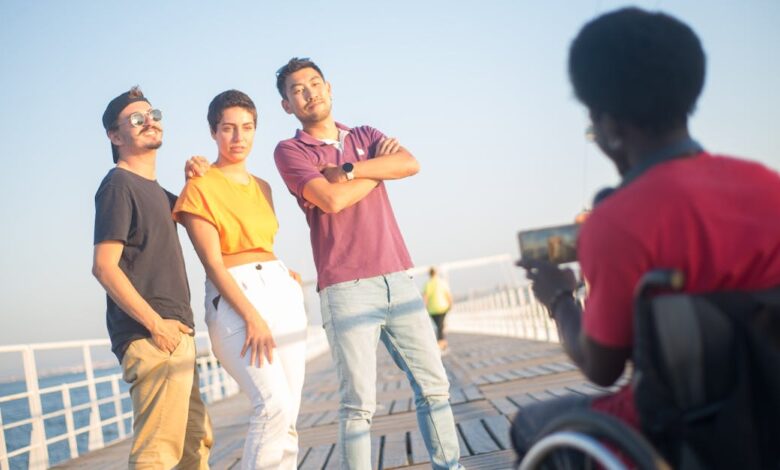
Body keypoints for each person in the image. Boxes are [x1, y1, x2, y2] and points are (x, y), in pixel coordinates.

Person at [511, 7, 780, 458]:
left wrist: (559, 297)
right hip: (771, 416)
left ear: (610, 124)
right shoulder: (767, 185)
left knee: (528, 424)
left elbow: (601, 365)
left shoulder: (614, 223)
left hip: (678, 434)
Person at [273, 57, 464, 470]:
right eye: (297, 90)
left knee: (435, 387)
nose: (309, 92)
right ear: (287, 105)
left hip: (398, 276)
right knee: (358, 404)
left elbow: (410, 164)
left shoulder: (364, 135)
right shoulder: (290, 150)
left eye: (315, 83)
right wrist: (381, 171)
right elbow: (331, 199)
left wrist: (349, 169)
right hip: (346, 288)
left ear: (329, 87)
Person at [174, 90, 308, 470]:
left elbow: (262, 244)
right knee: (272, 405)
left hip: (281, 291)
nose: (239, 137)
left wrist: (286, 276)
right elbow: (213, 263)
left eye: (247, 128)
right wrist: (251, 315)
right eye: (229, 128)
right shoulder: (199, 185)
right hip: (236, 298)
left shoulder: (264, 186)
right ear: (213, 132)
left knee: (290, 415)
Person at [92, 86, 213, 469]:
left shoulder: (160, 194)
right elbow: (104, 266)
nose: (150, 122)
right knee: (157, 454)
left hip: (177, 334)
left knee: (195, 444)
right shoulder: (118, 185)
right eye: (137, 119)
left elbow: (210, 226)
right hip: (153, 336)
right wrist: (156, 325)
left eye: (153, 114)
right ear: (115, 136)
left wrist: (198, 181)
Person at [423, 267, 453, 351]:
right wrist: (450, 304)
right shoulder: (442, 282)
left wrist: (425, 308)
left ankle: (442, 344)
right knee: (440, 326)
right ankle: (441, 344)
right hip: (443, 307)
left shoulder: (427, 284)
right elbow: (447, 294)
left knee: (439, 326)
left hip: (432, 309)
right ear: (436, 273)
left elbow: (425, 297)